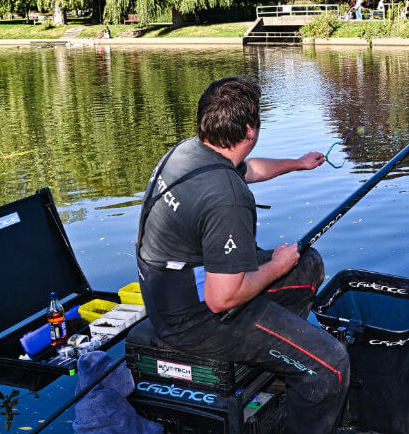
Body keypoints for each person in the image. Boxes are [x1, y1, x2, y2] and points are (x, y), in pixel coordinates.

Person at [136, 77, 348, 434]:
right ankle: (295, 376)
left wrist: (297, 164)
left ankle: (278, 362)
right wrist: (277, 266)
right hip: (195, 321)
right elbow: (223, 299)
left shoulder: (189, 153)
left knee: (308, 264)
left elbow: (247, 169)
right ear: (250, 131)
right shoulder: (227, 198)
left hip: (171, 291)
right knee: (331, 366)